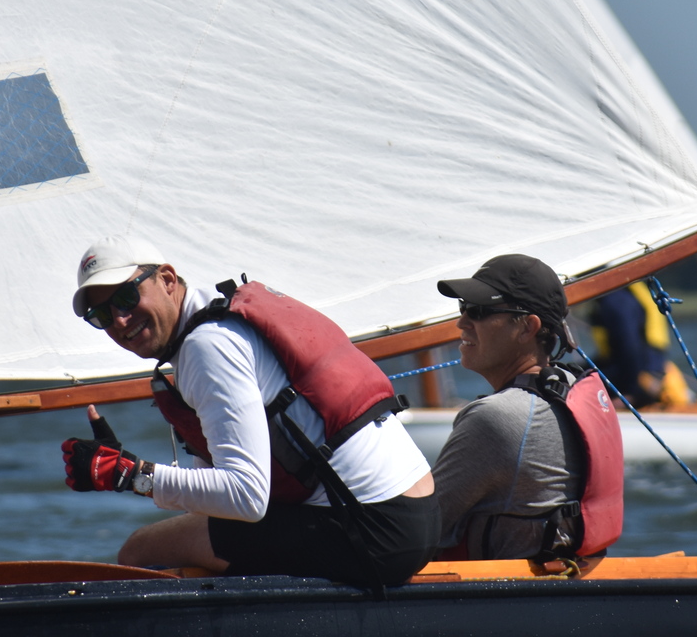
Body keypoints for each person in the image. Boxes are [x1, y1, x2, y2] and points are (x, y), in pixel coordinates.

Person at [61, 234, 439, 589]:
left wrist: (130, 475)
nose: (120, 320)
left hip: (374, 532)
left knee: (139, 550)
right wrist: (133, 473)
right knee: (190, 532)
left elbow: (246, 496)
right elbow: (223, 495)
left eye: (127, 297)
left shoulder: (207, 347)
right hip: (419, 516)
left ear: (167, 279)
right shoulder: (218, 319)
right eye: (102, 315)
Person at [430, 254, 624, 562]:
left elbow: (414, 536)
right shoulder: (570, 387)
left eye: (478, 311)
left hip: (496, 602)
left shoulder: (498, 419)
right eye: (463, 308)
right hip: (562, 591)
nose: (461, 322)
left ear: (527, 328)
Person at [587, 282, 692, 409]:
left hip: (639, 381)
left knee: (573, 383)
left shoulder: (616, 301)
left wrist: (631, 393)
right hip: (652, 371)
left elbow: (629, 348)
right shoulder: (626, 295)